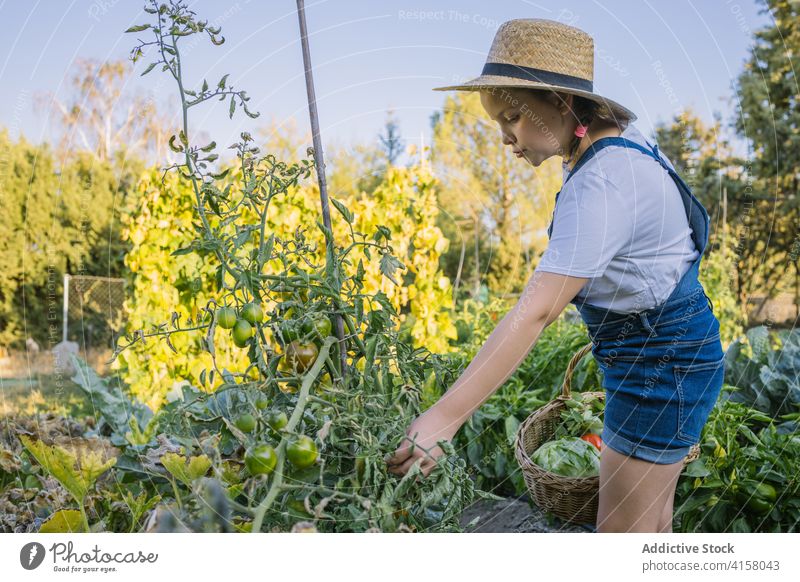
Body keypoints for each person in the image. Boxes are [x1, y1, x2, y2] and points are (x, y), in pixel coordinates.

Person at [385, 18, 724, 533]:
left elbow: (537, 310)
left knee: (620, 537)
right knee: (651, 527)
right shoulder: (610, 151)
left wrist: (443, 419)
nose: (505, 136)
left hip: (663, 366)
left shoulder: (602, 183)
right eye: (499, 122)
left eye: (514, 116)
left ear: (562, 104)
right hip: (663, 357)